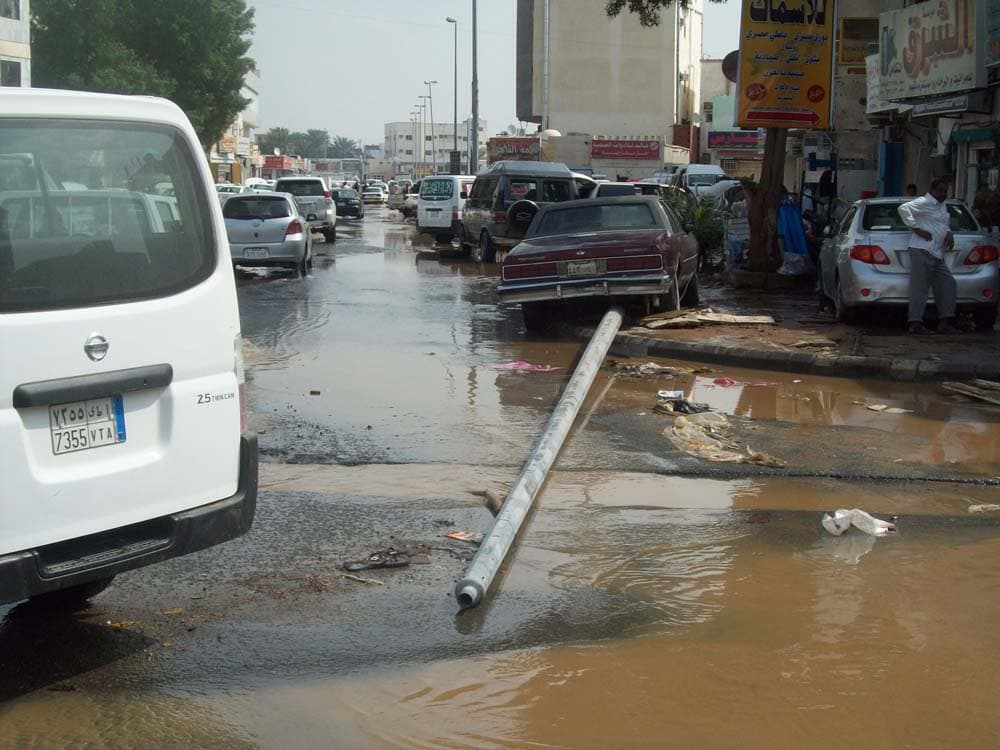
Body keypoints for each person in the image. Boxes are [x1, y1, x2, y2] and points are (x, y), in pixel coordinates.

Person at [897, 177, 961, 335]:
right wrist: (917, 229)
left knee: (948, 283)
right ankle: (915, 322)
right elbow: (903, 208)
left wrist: (949, 233)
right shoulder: (924, 202)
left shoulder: (942, 205)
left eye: (945, 191)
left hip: (937, 252)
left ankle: (945, 322)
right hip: (922, 249)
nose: (943, 194)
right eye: (940, 190)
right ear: (932, 190)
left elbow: (942, 223)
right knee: (920, 288)